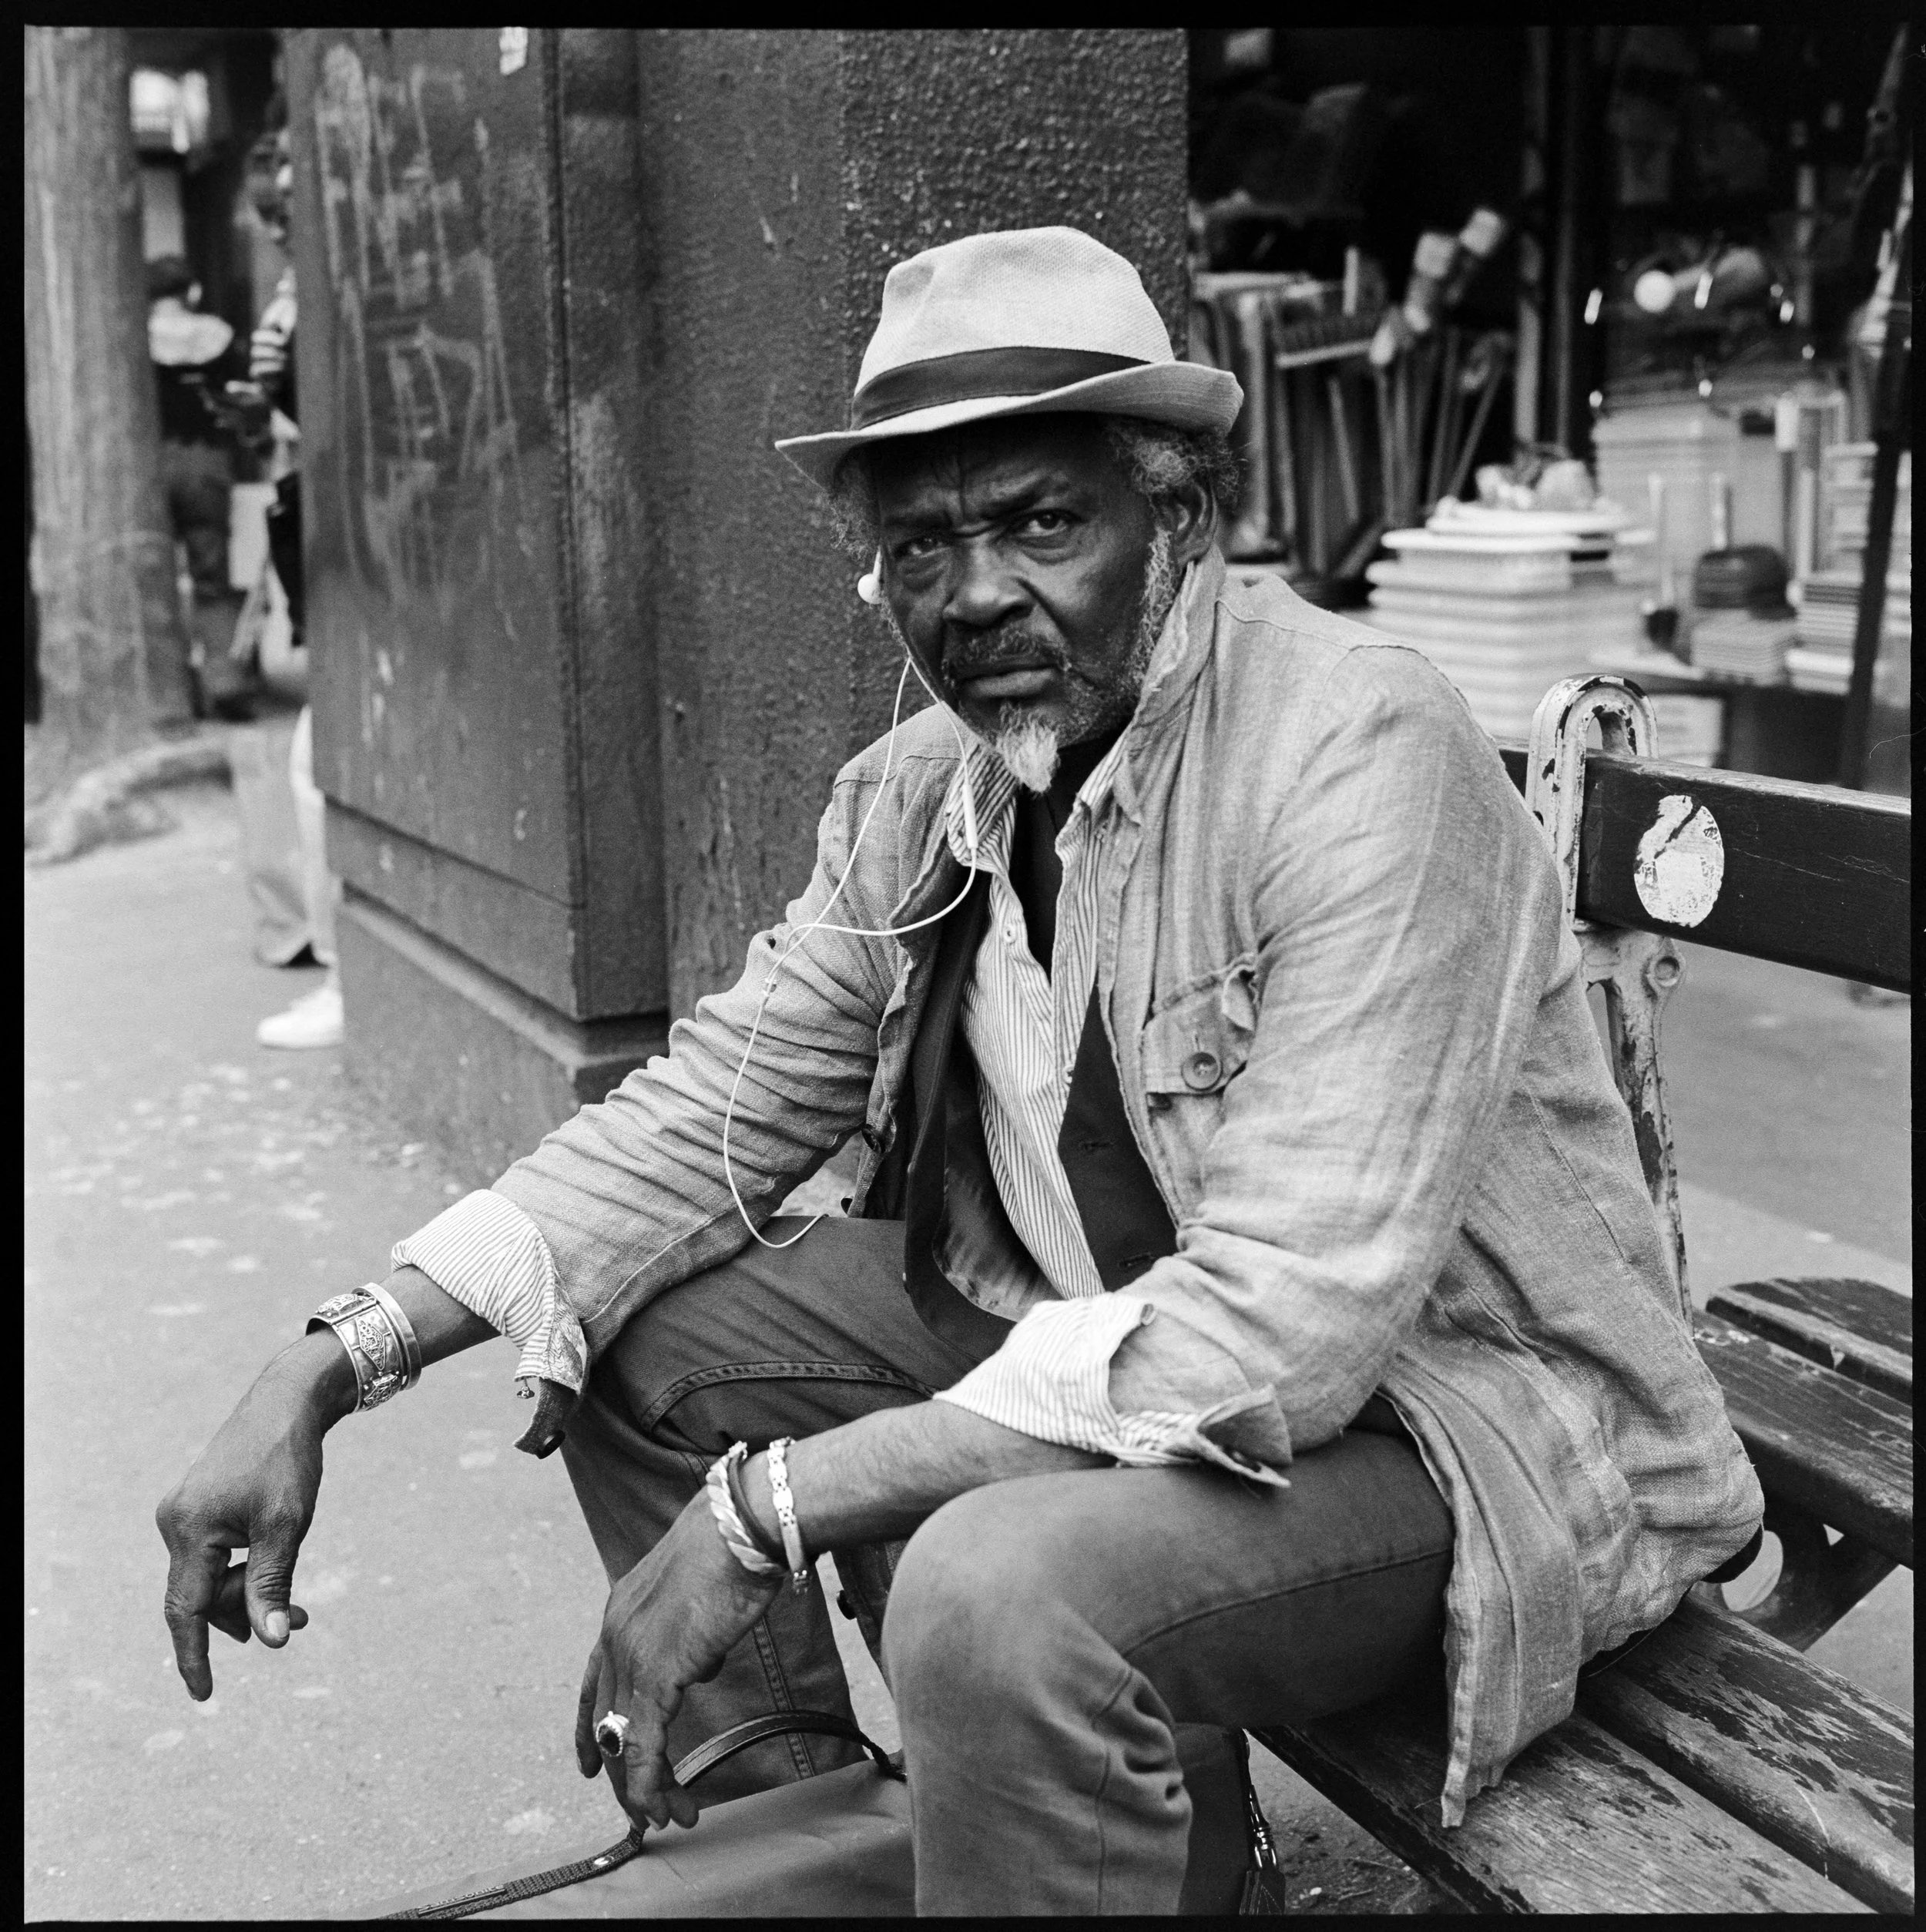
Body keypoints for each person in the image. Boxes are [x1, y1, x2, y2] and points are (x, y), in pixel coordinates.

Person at [156, 227, 1763, 1915]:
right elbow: (713, 1111)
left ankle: (1046, 1835)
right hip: (1110, 1330)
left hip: (1447, 1436)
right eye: (921, 543)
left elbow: (1275, 1341)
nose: (976, 590)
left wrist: (764, 1509)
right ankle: (856, 1851)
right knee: (645, 1329)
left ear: (1182, 518)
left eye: (1041, 522)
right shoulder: (924, 787)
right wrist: (332, 1355)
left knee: (988, 1594)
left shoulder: (1359, 748)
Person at [146, 254, 249, 718]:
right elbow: (241, 399)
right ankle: (225, 685)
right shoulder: (219, 336)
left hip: (151, 465)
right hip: (208, 464)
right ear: (191, 291)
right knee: (212, 578)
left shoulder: (136, 338)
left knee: (156, 577)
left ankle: (170, 691)